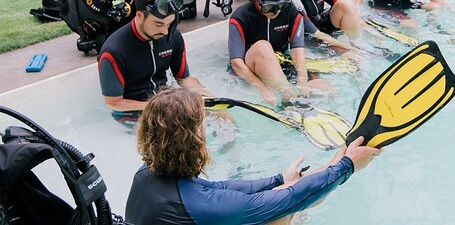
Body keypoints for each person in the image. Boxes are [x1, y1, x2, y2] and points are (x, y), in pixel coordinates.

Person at [125, 88, 380, 225]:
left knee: (289, 192)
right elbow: (294, 197)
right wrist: (347, 167)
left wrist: (279, 178)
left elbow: (220, 187)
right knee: (281, 216)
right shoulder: (203, 208)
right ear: (193, 138)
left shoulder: (145, 176)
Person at [97, 0, 210, 119]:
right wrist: (161, 105)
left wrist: (209, 99)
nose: (164, 31)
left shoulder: (172, 36)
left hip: (165, 102)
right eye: (158, 24)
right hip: (132, 113)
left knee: (214, 118)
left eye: (169, 24)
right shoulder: (113, 51)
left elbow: (184, 79)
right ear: (139, 16)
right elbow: (114, 103)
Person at [228, 0, 330, 104]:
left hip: (281, 61)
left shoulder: (292, 11)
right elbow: (236, 63)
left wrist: (302, 80)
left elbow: (297, 51)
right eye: (269, 7)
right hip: (253, 67)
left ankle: (297, 101)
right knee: (263, 46)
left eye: (281, 5)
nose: (276, 11)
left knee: (326, 89)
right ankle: (291, 101)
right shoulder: (240, 17)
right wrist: (263, 89)